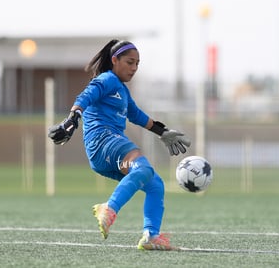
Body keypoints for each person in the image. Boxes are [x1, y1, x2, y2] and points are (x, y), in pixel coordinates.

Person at [48, 39, 191, 251]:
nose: (134, 68)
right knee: (142, 167)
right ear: (115, 60)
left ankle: (151, 236)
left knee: (154, 183)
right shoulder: (106, 79)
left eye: (137, 64)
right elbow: (85, 96)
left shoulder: (122, 91)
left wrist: (162, 132)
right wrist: (73, 118)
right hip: (104, 141)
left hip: (104, 156)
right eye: (129, 62)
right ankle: (109, 208)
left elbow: (136, 115)